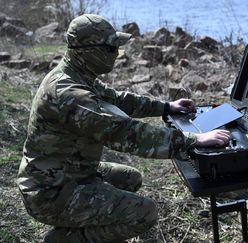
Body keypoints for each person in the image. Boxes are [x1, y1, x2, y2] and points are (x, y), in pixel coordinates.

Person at [17, 14, 231, 242]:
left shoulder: (77, 75)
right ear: (88, 50)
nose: (117, 54)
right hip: (51, 192)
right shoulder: (70, 94)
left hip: (70, 170)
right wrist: (192, 140)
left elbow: (119, 100)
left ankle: (76, 229)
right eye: (111, 48)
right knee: (144, 213)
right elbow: (128, 135)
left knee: (129, 178)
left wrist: (166, 107)